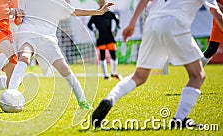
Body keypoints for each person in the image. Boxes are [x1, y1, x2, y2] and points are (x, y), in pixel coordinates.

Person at [92, 0, 223, 128]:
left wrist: (132, 23)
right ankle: (179, 119)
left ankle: (110, 98)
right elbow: (216, 11)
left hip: (152, 24)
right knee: (197, 76)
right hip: (175, 23)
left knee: (139, 76)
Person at [6, 0, 114, 110]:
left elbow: (75, 11)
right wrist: (17, 16)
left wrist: (99, 12)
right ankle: (10, 93)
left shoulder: (58, 1)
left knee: (64, 68)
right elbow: (18, 17)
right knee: (24, 57)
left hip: (48, 39)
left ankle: (82, 101)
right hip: (29, 34)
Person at [87, 0, 122, 80]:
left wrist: (116, 29)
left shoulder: (109, 13)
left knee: (113, 54)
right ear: (98, 3)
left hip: (110, 37)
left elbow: (117, 19)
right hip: (100, 38)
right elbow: (89, 24)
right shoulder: (95, 14)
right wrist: (94, 30)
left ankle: (114, 73)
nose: (102, 3)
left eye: (103, 1)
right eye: (100, 1)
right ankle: (105, 75)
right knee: (102, 56)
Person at [201, 0, 223, 66]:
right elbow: (212, 3)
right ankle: (196, 71)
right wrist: (218, 5)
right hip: (220, 20)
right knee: (211, 50)